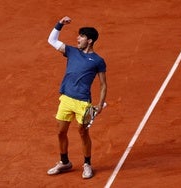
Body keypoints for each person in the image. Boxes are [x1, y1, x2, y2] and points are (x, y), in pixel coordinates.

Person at [47, 16, 107, 179]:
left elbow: (103, 85)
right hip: (66, 99)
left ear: (90, 40)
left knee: (82, 132)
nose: (78, 38)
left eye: (81, 36)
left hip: (82, 102)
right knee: (61, 132)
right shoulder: (71, 51)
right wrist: (60, 23)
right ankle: (64, 162)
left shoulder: (98, 61)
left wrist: (100, 104)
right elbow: (52, 40)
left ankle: (87, 164)